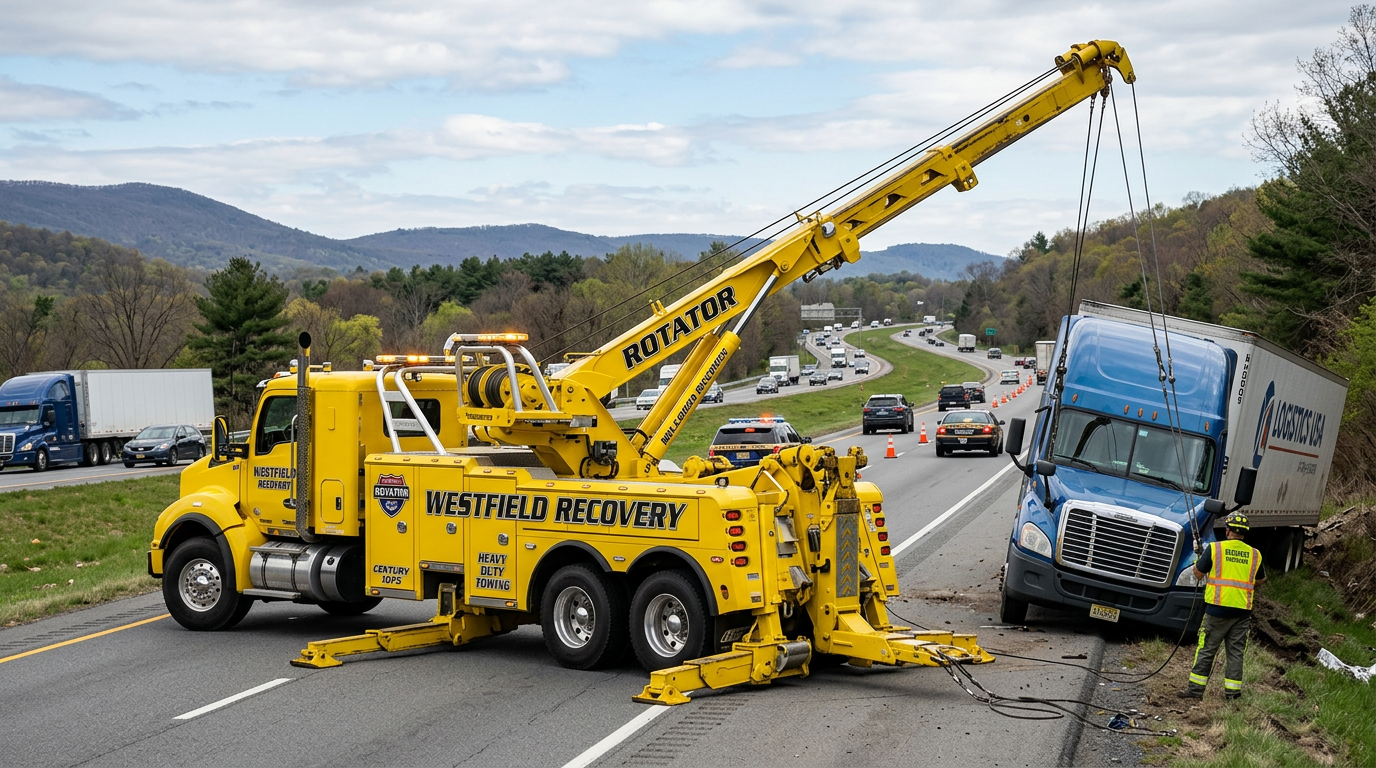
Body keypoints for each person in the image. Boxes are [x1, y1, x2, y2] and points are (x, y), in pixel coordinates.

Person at [1178, 512, 1265, 700]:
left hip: (1217, 609)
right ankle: (1233, 694)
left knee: (1207, 649)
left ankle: (1195, 691)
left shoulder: (1215, 549)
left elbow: (1198, 574)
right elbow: (1260, 580)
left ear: (1227, 530)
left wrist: (1199, 561)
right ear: (1244, 533)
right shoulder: (1255, 554)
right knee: (1235, 653)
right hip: (1242, 611)